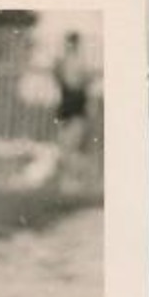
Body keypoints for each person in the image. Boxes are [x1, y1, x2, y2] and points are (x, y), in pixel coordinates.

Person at [51, 31, 95, 192]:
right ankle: (67, 180)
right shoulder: (63, 62)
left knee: (74, 145)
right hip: (67, 107)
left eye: (73, 43)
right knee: (64, 145)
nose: (70, 46)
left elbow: (81, 83)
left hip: (77, 107)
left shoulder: (80, 63)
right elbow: (59, 77)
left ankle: (75, 181)